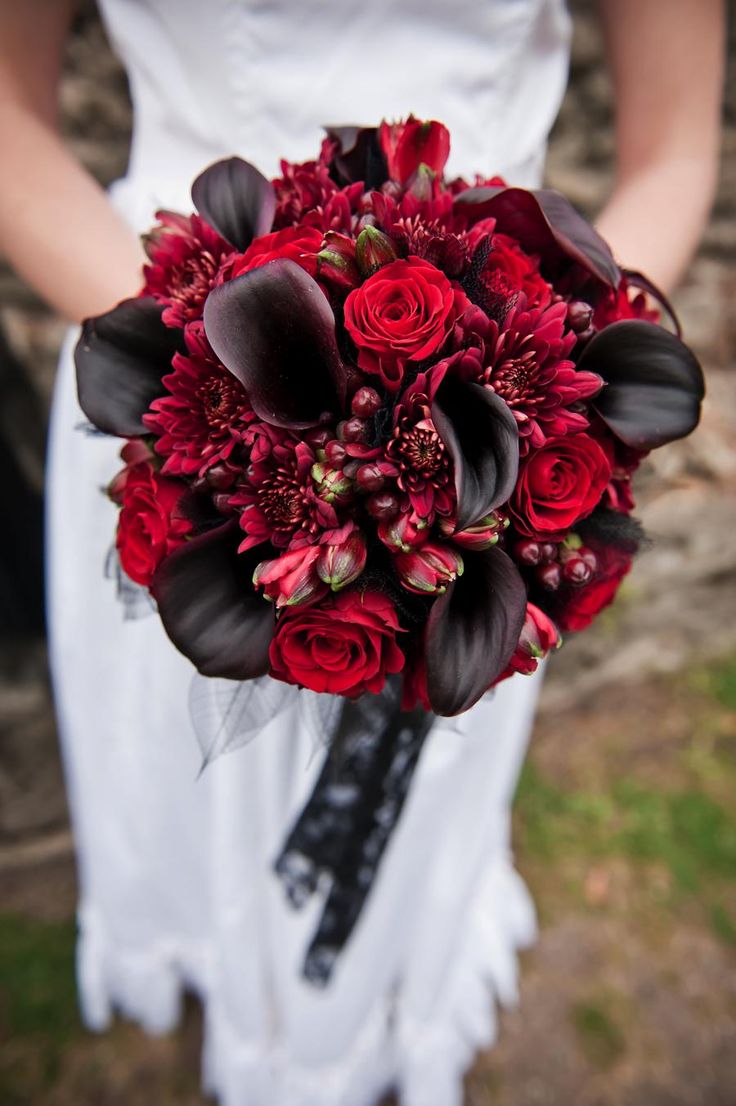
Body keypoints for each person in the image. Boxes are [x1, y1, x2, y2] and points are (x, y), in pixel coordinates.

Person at [0, 2, 724, 1104]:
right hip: (168, 365)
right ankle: (213, 960)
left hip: (499, 387)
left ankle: (365, 997)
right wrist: (204, 366)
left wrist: (551, 399)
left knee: (433, 733)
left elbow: (672, 152)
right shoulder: (190, 377)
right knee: (180, 756)